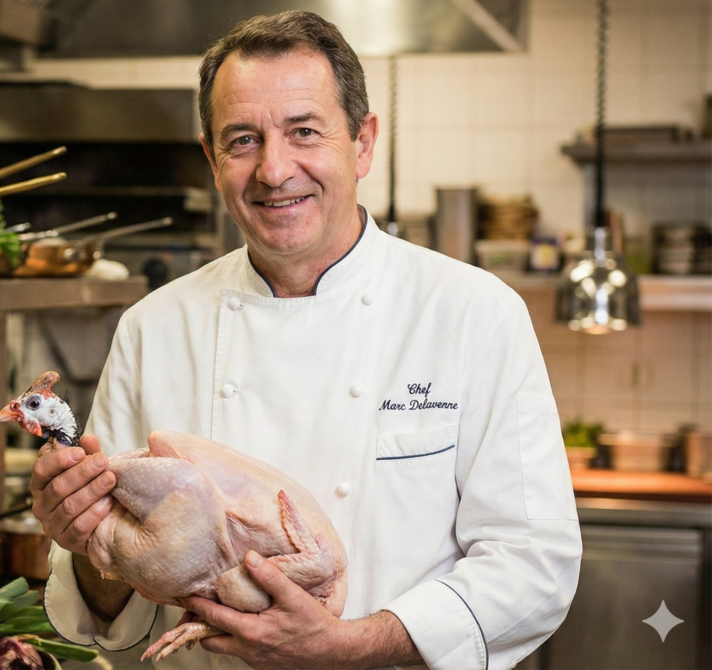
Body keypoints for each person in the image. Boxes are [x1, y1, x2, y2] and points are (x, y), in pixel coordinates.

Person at [29, 10, 581, 670]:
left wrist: (349, 645)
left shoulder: (474, 314)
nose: (273, 169)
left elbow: (532, 567)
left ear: (363, 142)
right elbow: (109, 613)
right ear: (211, 159)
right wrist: (92, 545)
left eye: (304, 132)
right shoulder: (154, 328)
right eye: (242, 140)